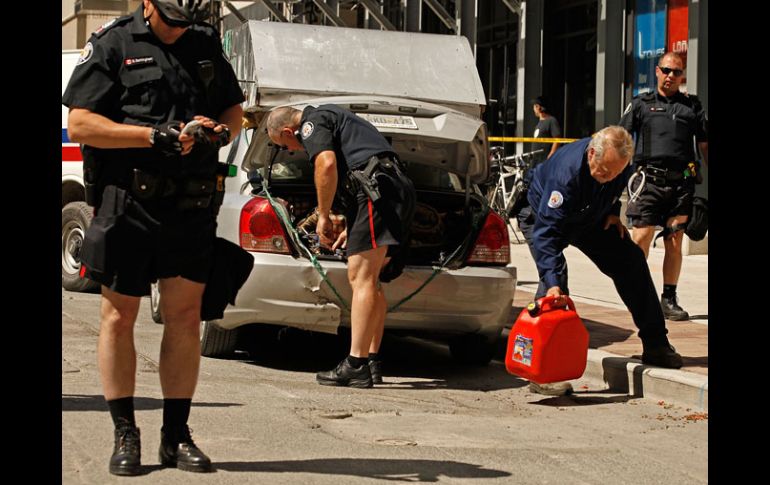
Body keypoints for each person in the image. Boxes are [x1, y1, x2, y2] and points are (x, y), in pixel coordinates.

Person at [62, 0, 245, 476]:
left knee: (184, 319)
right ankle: (126, 433)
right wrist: (150, 137)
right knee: (119, 317)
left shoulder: (204, 42)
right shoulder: (113, 42)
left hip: (190, 206)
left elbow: (234, 110)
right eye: (171, 18)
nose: (179, 28)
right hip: (130, 204)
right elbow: (80, 123)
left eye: (185, 20)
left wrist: (218, 132)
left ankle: (175, 436)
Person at [519, 126, 683, 396]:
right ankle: (543, 372)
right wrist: (551, 281)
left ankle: (656, 344)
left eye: (615, 174)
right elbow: (546, 235)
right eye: (604, 172)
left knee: (630, 259)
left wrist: (612, 212)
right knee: (555, 284)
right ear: (591, 154)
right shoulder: (566, 175)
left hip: (589, 217)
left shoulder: (617, 165)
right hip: (543, 217)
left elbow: (613, 188)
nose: (608, 179)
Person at [266, 105, 416, 388]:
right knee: (372, 280)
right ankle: (371, 361)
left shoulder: (312, 123)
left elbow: (327, 164)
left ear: (289, 131)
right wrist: (352, 222)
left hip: (378, 191)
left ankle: (355, 364)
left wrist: (323, 215)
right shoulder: (340, 119)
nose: (295, 151)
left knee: (360, 277)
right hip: (391, 188)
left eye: (286, 146)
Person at [619, 52, 708, 321]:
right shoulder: (640, 105)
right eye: (667, 70)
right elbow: (621, 140)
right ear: (657, 71)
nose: (671, 76)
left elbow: (704, 144)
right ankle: (637, 294)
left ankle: (669, 299)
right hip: (648, 183)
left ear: (682, 76)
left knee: (674, 240)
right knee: (641, 238)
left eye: (677, 72)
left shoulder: (692, 107)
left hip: (681, 184)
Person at [532, 96, 562, 160]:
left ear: (538, 107)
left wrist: (550, 156)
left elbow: (557, 139)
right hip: (536, 161)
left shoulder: (551, 120)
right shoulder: (539, 123)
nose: (533, 109)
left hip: (545, 161)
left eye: (534, 106)